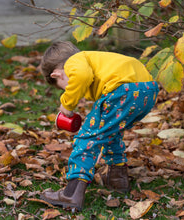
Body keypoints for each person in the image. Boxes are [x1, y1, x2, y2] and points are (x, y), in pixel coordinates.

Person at [40, 41, 159, 211]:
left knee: (87, 137)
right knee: (110, 132)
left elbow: (81, 76)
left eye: (64, 87)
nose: (69, 89)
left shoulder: (74, 61)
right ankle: (117, 179)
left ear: (57, 75)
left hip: (121, 91)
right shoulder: (96, 60)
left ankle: (72, 193)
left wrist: (67, 103)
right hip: (148, 90)